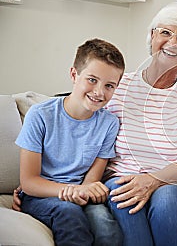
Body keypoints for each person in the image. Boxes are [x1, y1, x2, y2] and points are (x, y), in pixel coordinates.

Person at [101, 1, 177, 246]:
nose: (172, 43)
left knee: (167, 204)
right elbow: (85, 131)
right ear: (152, 36)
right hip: (121, 176)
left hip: (168, 181)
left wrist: (152, 180)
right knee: (124, 199)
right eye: (165, 32)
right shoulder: (119, 85)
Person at [15, 38, 125, 246]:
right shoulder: (40, 115)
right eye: (92, 80)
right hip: (42, 195)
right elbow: (29, 182)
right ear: (74, 75)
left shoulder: (109, 123)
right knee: (69, 214)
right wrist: (69, 192)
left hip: (82, 191)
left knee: (106, 226)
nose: (99, 92)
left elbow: (91, 180)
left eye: (109, 85)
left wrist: (84, 190)